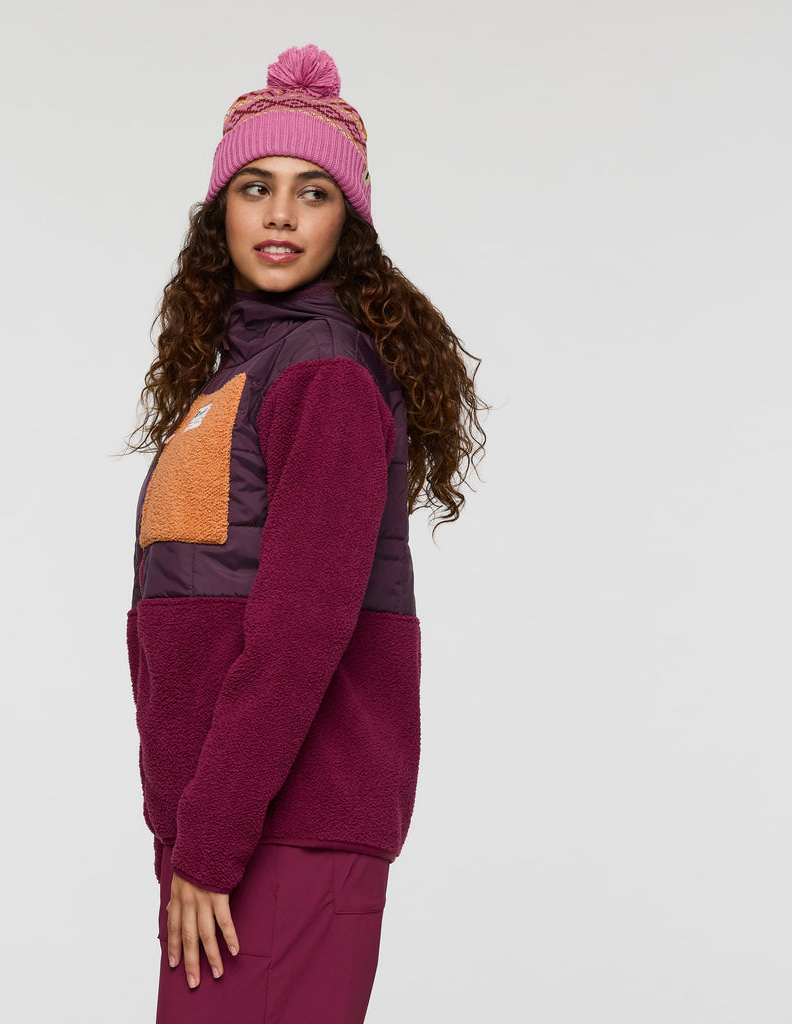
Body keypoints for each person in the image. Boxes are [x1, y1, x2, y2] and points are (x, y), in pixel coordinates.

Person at [120, 43, 487, 1023]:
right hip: (233, 827)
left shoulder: (323, 373)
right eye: (256, 186)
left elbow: (299, 630)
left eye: (312, 192)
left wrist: (211, 842)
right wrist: (194, 833)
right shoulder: (239, 374)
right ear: (220, 213)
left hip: (282, 828)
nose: (280, 213)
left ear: (346, 225)